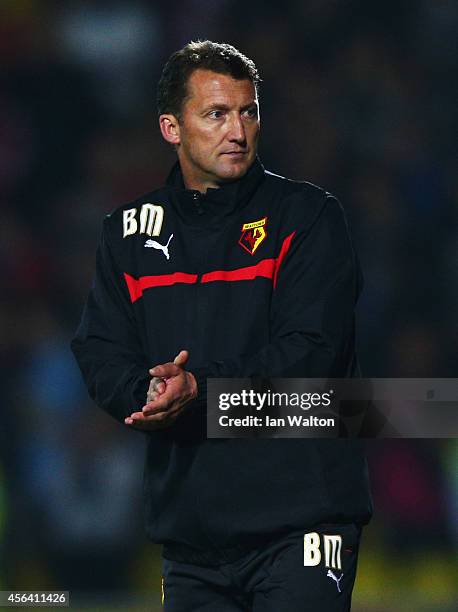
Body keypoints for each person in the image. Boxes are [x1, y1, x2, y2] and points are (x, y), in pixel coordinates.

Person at [72, 40, 372, 611]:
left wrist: (199, 394)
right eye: (216, 114)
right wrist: (149, 393)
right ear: (171, 127)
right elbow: (99, 348)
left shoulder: (307, 217)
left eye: (248, 111)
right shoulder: (125, 234)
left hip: (303, 523)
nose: (238, 130)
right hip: (190, 537)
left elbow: (312, 354)